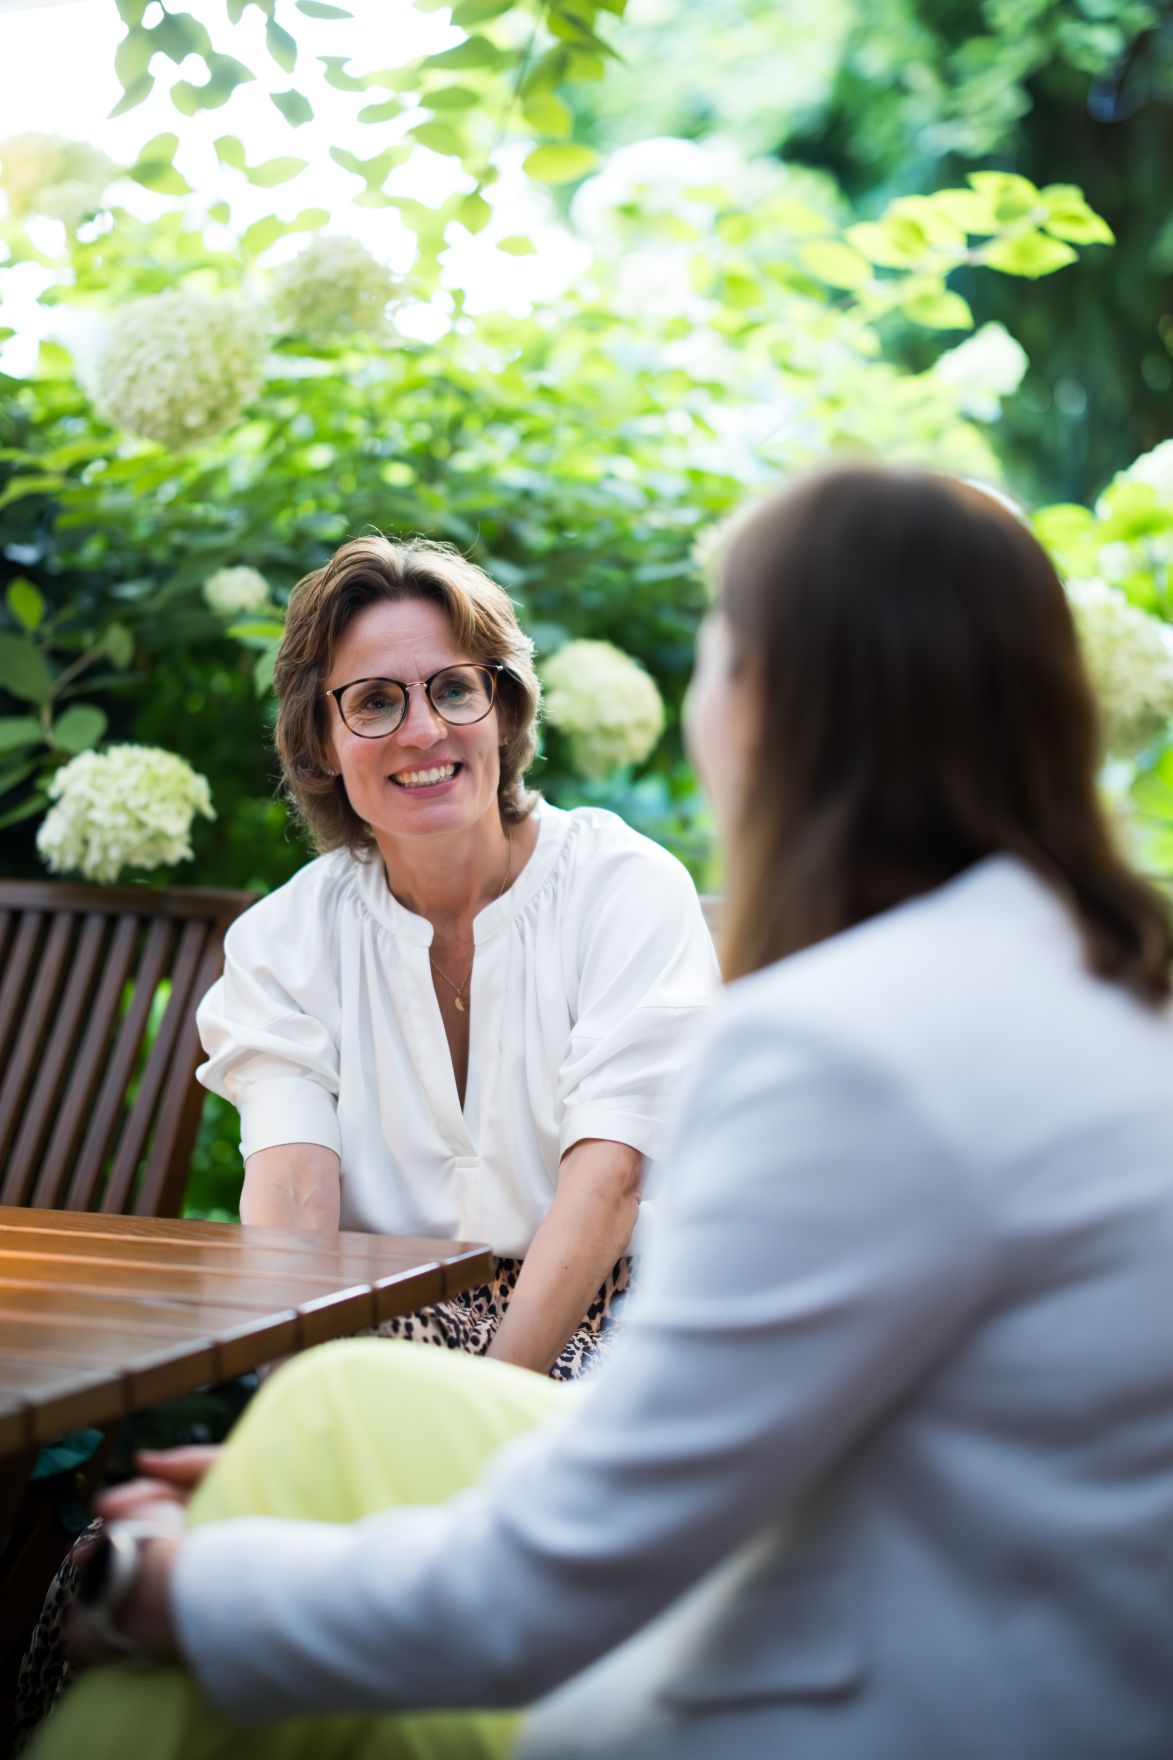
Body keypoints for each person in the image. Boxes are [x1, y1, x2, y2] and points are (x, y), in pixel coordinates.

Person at [35, 464, 1173, 1760]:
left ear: (777, 712)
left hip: (837, 1694)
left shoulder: (838, 1050)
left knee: (220, 1537)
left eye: (713, 660)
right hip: (991, 1629)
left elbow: (566, 1570)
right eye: (374, 702)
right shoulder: (1106, 991)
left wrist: (186, 1587)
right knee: (334, 1410)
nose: (422, 728)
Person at [195, 534, 717, 1378]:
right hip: (380, 1332)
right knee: (175, 1517)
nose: (425, 730)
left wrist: (478, 1414)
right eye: (374, 702)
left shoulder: (622, 886)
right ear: (321, 739)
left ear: (502, 711)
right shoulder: (283, 938)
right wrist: (312, 1399)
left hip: (620, 1325)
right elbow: (293, 1196)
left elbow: (611, 1181)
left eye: (453, 689)